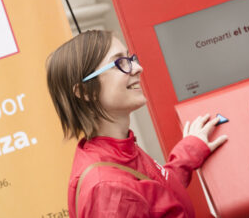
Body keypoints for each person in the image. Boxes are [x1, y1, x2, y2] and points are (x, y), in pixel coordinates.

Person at [46, 30, 228, 218]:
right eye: (119, 63)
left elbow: (157, 195)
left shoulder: (119, 150)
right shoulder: (107, 191)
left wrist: (189, 151)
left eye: (130, 58)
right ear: (85, 91)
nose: (137, 68)